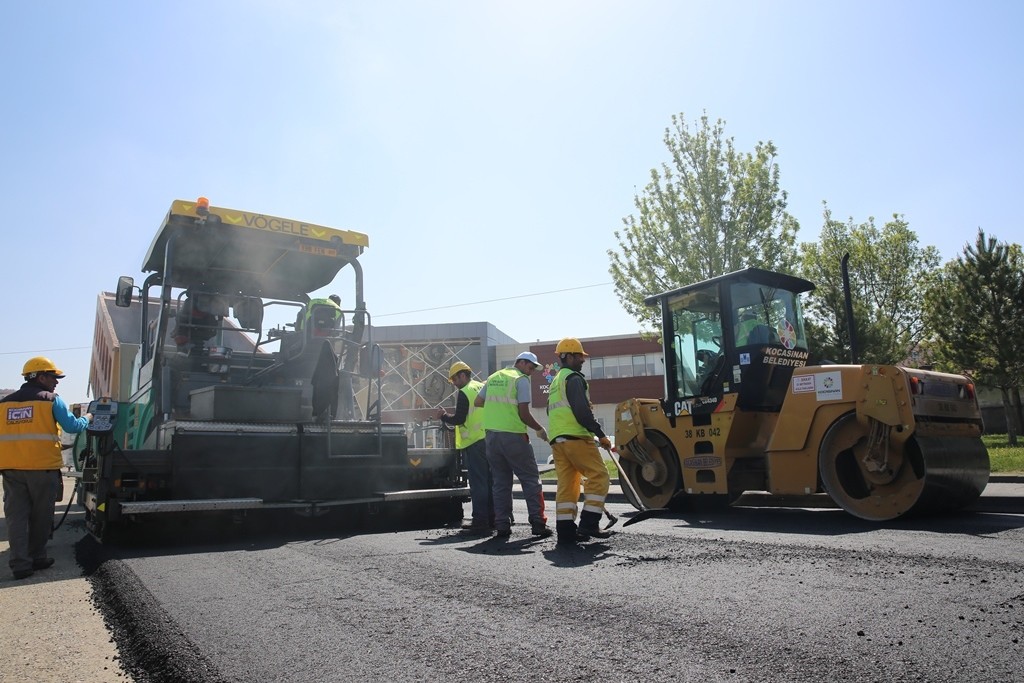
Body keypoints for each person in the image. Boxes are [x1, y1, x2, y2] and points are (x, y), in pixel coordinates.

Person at [1, 357, 91, 580]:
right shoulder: (51, 401)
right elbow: (72, 425)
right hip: (42, 469)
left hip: (11, 469)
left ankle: (20, 564)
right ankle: (38, 557)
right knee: (42, 516)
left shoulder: (4, 404)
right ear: (40, 377)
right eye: (54, 377)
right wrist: (89, 417)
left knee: (16, 517)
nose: (57, 382)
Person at [474, 351, 551, 539]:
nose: (531, 371)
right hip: (514, 437)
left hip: (492, 438)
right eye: (531, 367)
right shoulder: (520, 380)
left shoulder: (493, 378)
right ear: (521, 363)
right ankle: (538, 523)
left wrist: (498, 409)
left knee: (500, 483)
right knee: (531, 480)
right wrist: (540, 429)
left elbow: (478, 401)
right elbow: (524, 413)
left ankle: (502, 525)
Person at [546, 338, 613, 546]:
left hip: (558, 441)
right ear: (567, 356)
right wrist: (600, 433)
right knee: (600, 476)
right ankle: (589, 524)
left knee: (568, 485)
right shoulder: (574, 379)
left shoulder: (556, 381)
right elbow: (582, 412)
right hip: (575, 438)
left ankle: (566, 532)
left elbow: (551, 411)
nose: (582, 361)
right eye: (579, 356)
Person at [437, 361, 493, 534]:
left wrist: (444, 416)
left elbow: (459, 419)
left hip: (475, 443)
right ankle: (495, 518)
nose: (453, 383)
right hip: (489, 439)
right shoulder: (481, 387)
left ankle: (480, 520)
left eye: (454, 378)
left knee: (478, 483)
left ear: (463, 375)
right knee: (491, 481)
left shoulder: (464, 392)